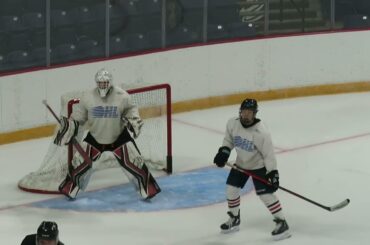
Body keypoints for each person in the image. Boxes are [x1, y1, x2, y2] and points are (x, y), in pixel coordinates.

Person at [54, 68, 161, 200]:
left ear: (110, 82)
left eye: (105, 82)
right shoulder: (88, 96)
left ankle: (147, 189)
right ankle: (70, 188)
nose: (102, 85)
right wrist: (70, 126)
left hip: (119, 137)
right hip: (96, 137)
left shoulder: (122, 96)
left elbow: (131, 111)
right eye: (100, 83)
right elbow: (79, 116)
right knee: (79, 164)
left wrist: (133, 121)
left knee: (136, 163)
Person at [213, 98, 291, 240]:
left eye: (250, 112)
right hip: (241, 164)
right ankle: (235, 218)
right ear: (240, 111)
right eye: (244, 112)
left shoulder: (261, 132)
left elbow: (269, 155)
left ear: (255, 114)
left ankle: (282, 222)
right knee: (231, 189)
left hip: (258, 166)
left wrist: (273, 173)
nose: (246, 115)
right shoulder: (233, 123)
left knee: (265, 195)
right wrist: (224, 152)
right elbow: (229, 140)